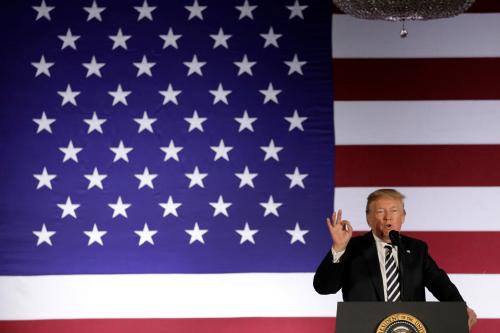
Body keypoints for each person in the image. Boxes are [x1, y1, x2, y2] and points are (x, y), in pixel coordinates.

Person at [313, 188, 477, 330]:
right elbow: (324, 287)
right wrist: (339, 248)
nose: (387, 218)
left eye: (394, 211)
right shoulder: (352, 248)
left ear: (403, 217)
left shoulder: (416, 249)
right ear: (368, 218)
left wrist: (460, 307)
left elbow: (438, 282)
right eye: (380, 212)